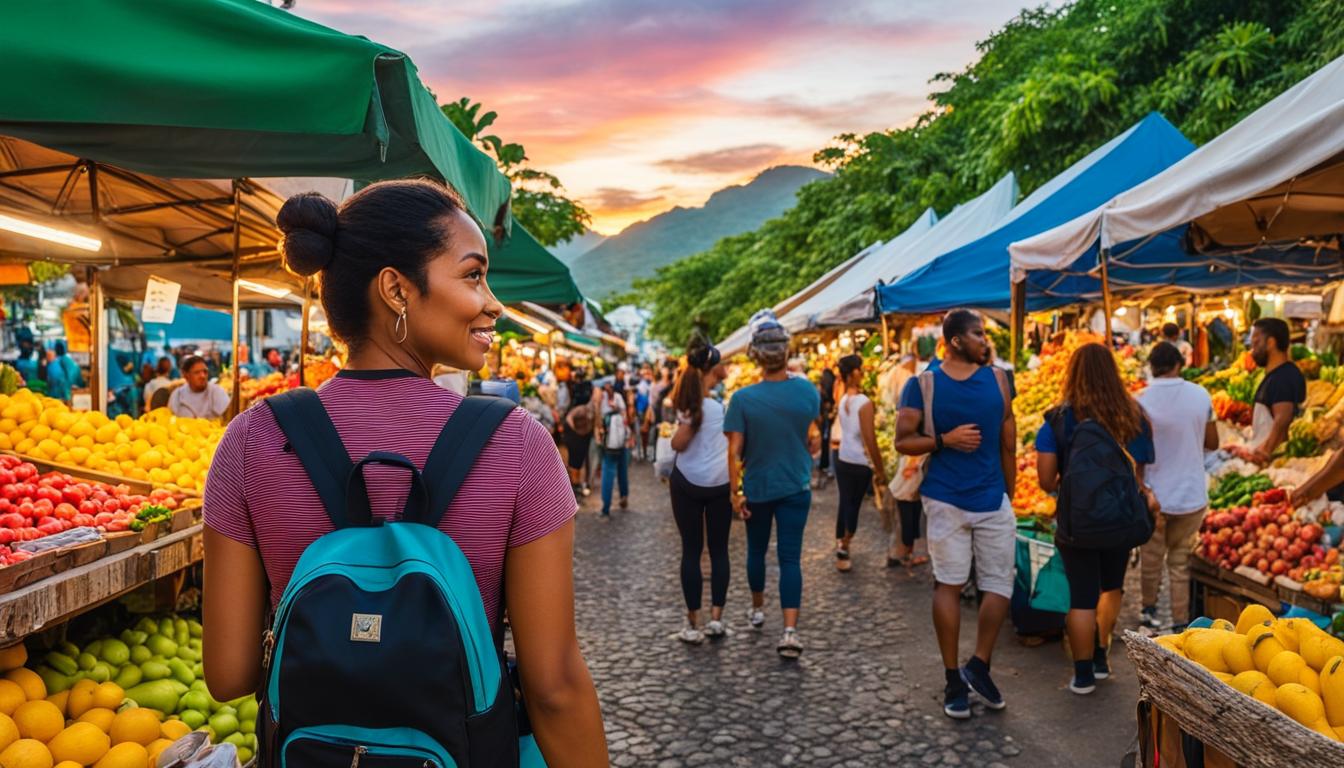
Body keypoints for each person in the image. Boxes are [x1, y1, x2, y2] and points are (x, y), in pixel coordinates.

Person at [202, 180, 606, 765]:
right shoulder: (515, 444)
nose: (493, 302)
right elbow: (554, 688)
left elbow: (229, 672)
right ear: (396, 289)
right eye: (473, 276)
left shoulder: (252, 439)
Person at [895, 309, 1015, 719]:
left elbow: (1008, 440)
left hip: (992, 499)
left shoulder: (1000, 379)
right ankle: (952, 678)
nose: (986, 340)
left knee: (1000, 585)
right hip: (945, 500)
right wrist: (944, 440)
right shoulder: (922, 384)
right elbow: (902, 441)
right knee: (948, 583)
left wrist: (1008, 494)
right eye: (979, 334)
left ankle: (979, 665)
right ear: (958, 340)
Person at [1034, 342, 1155, 696]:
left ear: (1072, 375)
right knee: (1112, 586)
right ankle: (1103, 656)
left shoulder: (1058, 420)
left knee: (1081, 596)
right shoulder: (1133, 415)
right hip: (1119, 520)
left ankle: (1083, 673)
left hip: (1076, 523)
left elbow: (1044, 480)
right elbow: (1140, 472)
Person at [724, 311, 820, 659]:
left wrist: (734, 494)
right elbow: (812, 436)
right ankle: (790, 631)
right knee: (790, 557)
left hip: (758, 487)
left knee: (756, 550)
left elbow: (733, 453)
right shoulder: (807, 391)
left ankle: (757, 608)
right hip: (796, 485)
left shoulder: (742, 400)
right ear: (786, 352)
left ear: (755, 356)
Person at [1137, 342, 1218, 631]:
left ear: (1151, 366)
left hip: (1153, 496)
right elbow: (1213, 443)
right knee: (1180, 563)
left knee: (1151, 559)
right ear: (1179, 364)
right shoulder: (1200, 395)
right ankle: (1182, 623)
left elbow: (1134, 451)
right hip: (1191, 494)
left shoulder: (1140, 400)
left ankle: (1148, 611)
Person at [668, 342, 732, 643]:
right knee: (719, 551)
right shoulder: (718, 408)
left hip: (687, 484)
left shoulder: (687, 404)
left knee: (691, 552)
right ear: (712, 369)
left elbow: (678, 445)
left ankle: (693, 623)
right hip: (720, 484)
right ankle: (716, 619)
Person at [832, 354, 889, 572]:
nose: (864, 373)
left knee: (845, 501)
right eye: (861, 369)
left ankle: (841, 543)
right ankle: (845, 545)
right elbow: (870, 439)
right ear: (854, 373)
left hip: (843, 457)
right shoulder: (864, 403)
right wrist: (879, 468)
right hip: (859, 461)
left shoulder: (844, 398)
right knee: (853, 505)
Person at [1242, 318, 1306, 464]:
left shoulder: (1282, 377)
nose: (1252, 350)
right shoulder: (1280, 373)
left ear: (1270, 343)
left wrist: (1266, 449)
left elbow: (1283, 417)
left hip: (1271, 461)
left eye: (1256, 343)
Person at [597, 385, 631, 519]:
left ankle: (606, 507)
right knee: (622, 469)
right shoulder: (618, 397)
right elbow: (625, 415)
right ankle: (624, 496)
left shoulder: (600, 399)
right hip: (621, 440)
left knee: (608, 472)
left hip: (609, 443)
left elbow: (598, 419)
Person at [562, 370, 596, 497]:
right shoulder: (587, 387)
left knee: (575, 458)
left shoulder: (575, 388)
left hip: (576, 430)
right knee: (578, 458)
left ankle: (575, 483)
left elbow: (569, 417)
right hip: (579, 430)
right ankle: (576, 483)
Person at [168, 355, 231, 420]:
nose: (203, 376)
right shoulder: (177, 395)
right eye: (197, 372)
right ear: (186, 375)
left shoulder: (217, 392)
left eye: (205, 372)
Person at [45, 340, 83, 404]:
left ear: (55, 351)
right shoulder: (72, 363)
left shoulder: (53, 365)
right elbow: (80, 383)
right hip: (73, 399)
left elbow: (52, 383)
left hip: (57, 401)